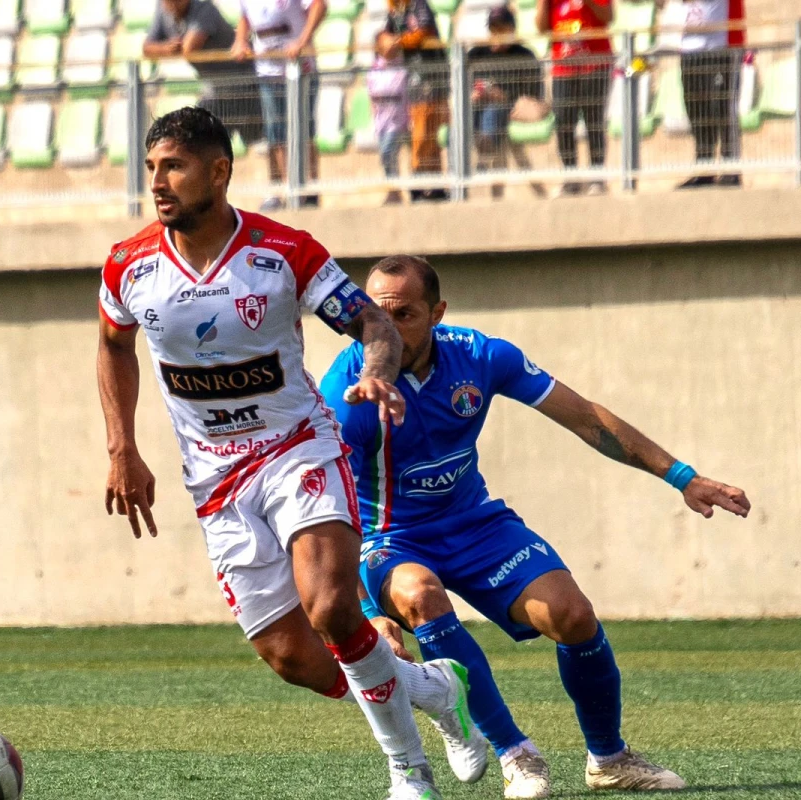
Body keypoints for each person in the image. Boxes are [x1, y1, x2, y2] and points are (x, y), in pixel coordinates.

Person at [96, 108, 487, 800]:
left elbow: (369, 320)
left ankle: (409, 771)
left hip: (296, 450)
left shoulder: (282, 253)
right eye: (152, 167)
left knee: (333, 607)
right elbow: (113, 345)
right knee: (290, 656)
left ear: (219, 172)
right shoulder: (129, 266)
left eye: (175, 167)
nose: (158, 182)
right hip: (214, 478)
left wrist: (379, 370)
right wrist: (122, 447)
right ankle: (432, 688)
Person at [321, 256, 752, 798]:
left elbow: (586, 418)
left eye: (403, 314)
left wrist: (683, 477)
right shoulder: (349, 394)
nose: (384, 329)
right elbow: (331, 512)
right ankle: (514, 753)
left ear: (438, 313)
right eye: (372, 317)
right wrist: (366, 613)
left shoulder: (480, 356)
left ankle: (609, 758)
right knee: (421, 595)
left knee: (572, 615)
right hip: (389, 538)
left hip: (474, 522)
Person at [232, 0, 326, 211]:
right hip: (268, 71)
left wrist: (302, 41)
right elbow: (245, 18)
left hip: (300, 68)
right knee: (276, 133)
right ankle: (287, 188)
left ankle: (310, 189)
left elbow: (319, 7)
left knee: (304, 129)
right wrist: (240, 41)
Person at [143, 0, 262, 144]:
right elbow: (146, 48)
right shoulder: (163, 9)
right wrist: (166, 48)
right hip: (215, 91)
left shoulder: (205, 8)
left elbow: (189, 47)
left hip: (244, 87)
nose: (172, 4)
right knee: (201, 141)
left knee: (267, 142)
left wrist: (164, 48)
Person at [656, 0, 746, 188]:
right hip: (690, 48)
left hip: (721, 46)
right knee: (696, 110)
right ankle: (704, 168)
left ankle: (731, 168)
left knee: (722, 108)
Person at [465, 6, 546, 198]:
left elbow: (533, 94)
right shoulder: (476, 54)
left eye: (502, 28)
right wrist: (473, 95)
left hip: (508, 109)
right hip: (477, 111)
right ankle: (479, 156)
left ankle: (484, 157)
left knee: (494, 110)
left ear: (512, 29)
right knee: (473, 115)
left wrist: (503, 96)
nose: (497, 34)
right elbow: (463, 87)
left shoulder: (524, 55)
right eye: (493, 29)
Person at [536, 0, 613, 196]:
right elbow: (541, 27)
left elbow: (608, 17)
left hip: (594, 65)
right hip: (563, 68)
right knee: (563, 122)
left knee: (594, 120)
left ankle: (597, 177)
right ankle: (570, 177)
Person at [378, 0, 449, 203]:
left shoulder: (418, 5)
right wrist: (387, 40)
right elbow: (385, 35)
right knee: (420, 132)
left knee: (428, 133)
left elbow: (424, 31)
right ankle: (420, 185)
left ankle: (432, 185)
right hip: (414, 80)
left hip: (432, 76)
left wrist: (400, 41)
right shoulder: (395, 10)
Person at [366, 37, 410, 205]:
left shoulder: (401, 67)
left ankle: (395, 190)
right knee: (386, 156)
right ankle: (393, 190)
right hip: (381, 122)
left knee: (387, 152)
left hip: (398, 121)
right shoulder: (374, 70)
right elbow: (372, 96)